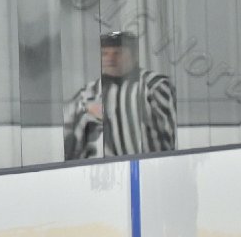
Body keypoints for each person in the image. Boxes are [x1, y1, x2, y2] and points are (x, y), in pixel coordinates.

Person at [63, 31, 177, 160]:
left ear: (134, 56)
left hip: (152, 168)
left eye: (118, 53)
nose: (110, 58)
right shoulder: (90, 91)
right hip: (109, 172)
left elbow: (171, 133)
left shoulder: (154, 86)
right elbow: (69, 133)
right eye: (105, 53)